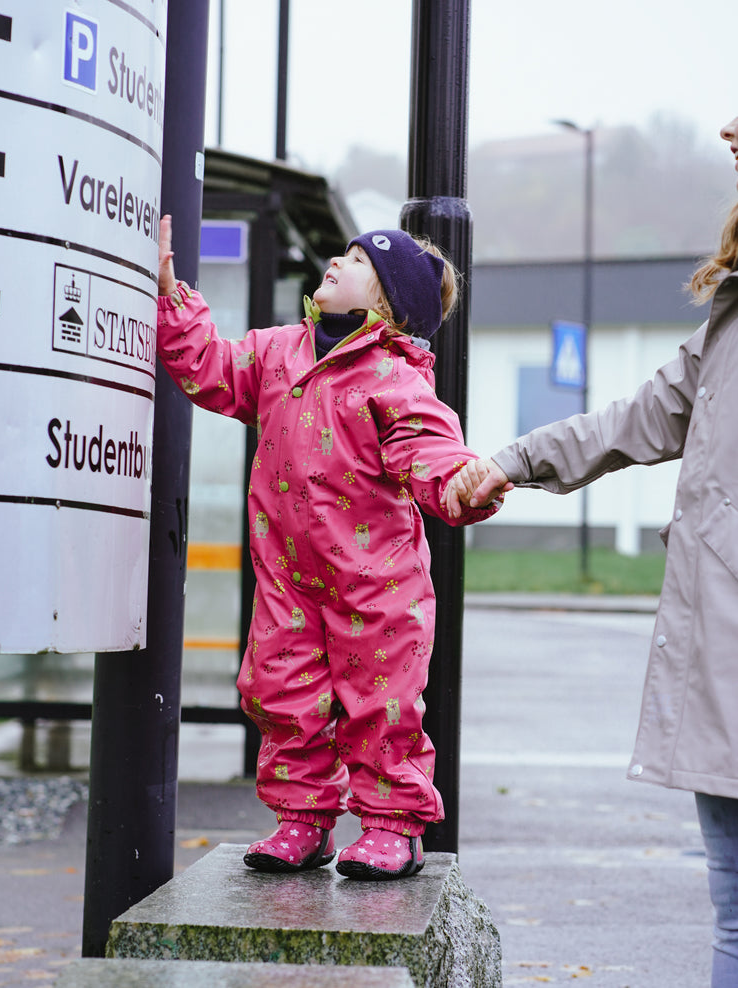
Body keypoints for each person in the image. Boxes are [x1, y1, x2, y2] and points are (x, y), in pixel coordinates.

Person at [445, 113, 738, 985]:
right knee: (733, 914)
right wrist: (509, 459)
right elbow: (631, 422)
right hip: (725, 662)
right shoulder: (726, 324)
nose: (727, 136)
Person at [157, 218, 500, 880]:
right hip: (288, 580)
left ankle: (393, 825)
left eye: (358, 261)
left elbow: (426, 448)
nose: (337, 263)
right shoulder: (279, 353)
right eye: (339, 254)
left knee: (382, 704)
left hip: (378, 583)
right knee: (282, 694)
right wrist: (174, 299)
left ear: (387, 305)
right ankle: (301, 821)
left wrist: (463, 484)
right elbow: (210, 367)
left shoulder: (392, 379)